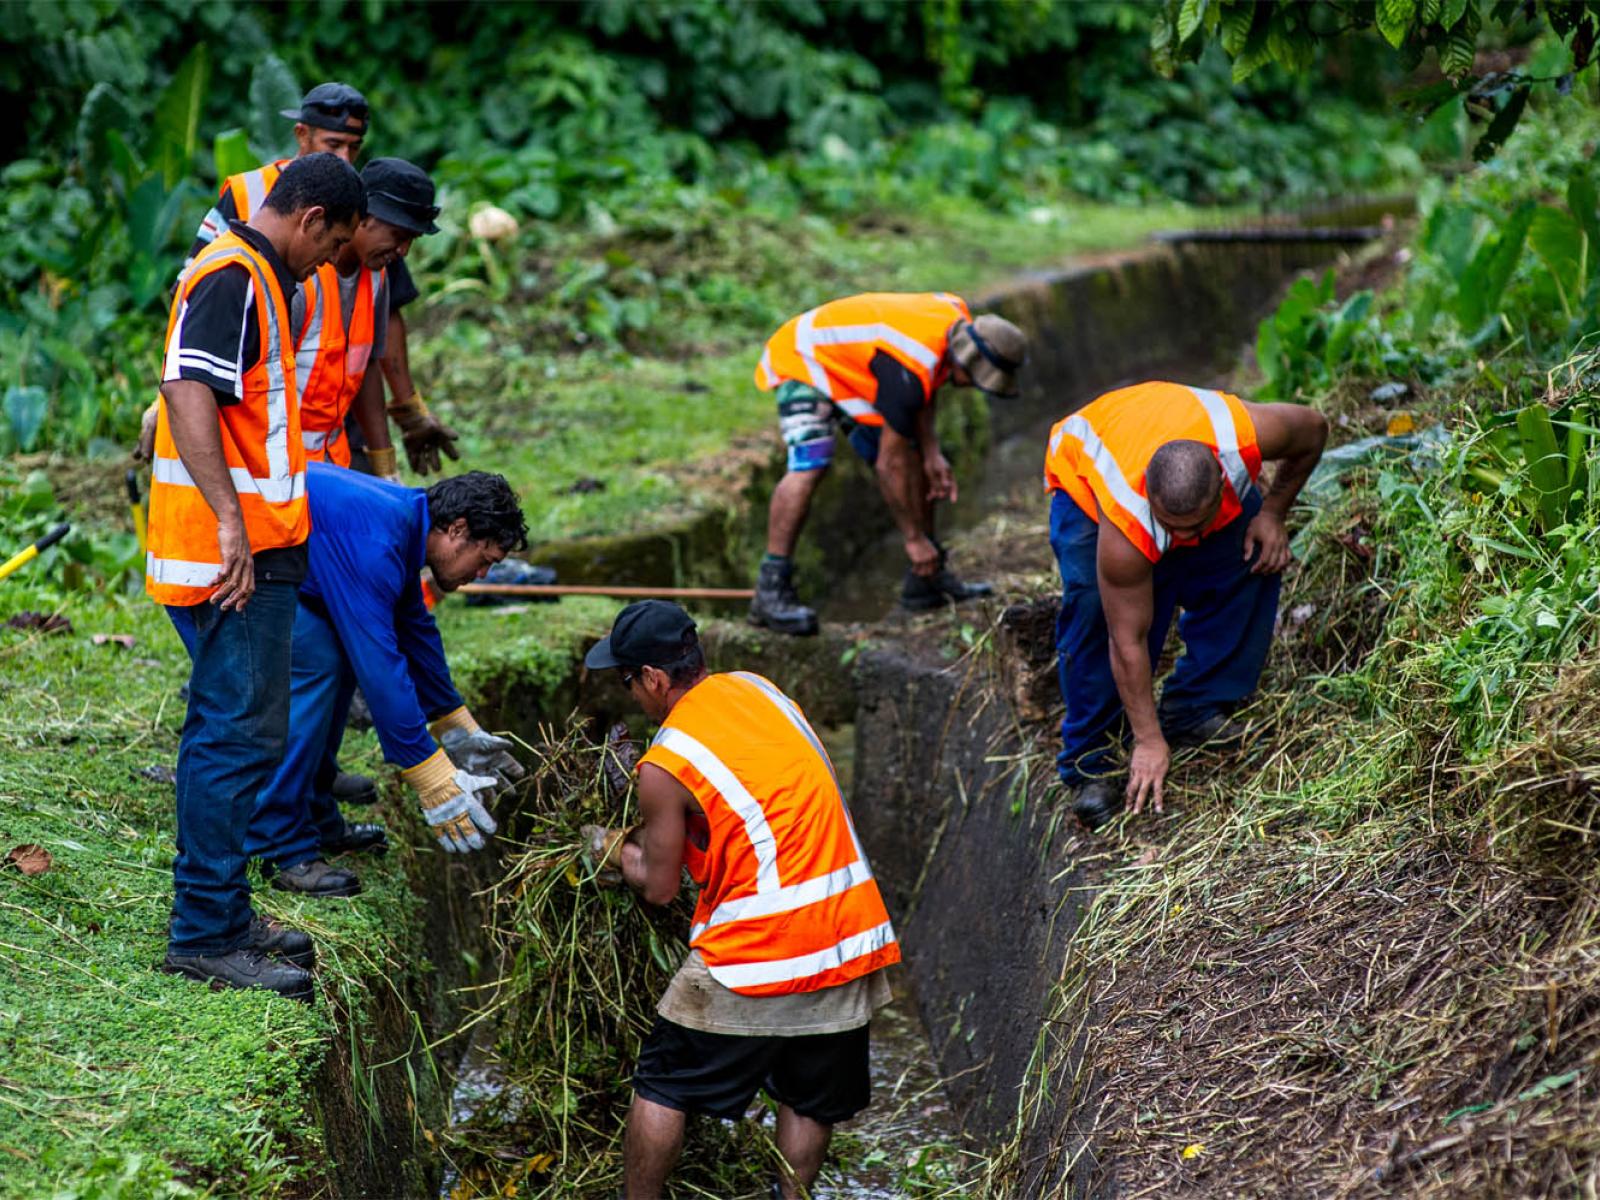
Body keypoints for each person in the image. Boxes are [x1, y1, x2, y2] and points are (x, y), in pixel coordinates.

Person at [583, 601, 901, 1200]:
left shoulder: (666, 760)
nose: (632, 696)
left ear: (653, 677)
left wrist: (608, 849)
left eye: (628, 681)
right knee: (807, 1092)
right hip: (848, 927)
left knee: (663, 1083)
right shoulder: (760, 690)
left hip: (763, 945)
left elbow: (659, 885)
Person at [146, 153, 365, 999]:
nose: (331, 264)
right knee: (230, 739)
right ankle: (202, 933)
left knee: (248, 734)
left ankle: (225, 911)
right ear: (311, 220)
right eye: (335, 245)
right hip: (226, 555)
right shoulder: (234, 276)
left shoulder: (267, 280)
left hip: (259, 548)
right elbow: (185, 389)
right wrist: (234, 521)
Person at [1044, 381, 1328, 829]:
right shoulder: (1126, 518)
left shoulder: (1247, 437)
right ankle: (1091, 760)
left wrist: (1272, 514)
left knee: (1251, 556)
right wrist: (1148, 740)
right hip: (1085, 476)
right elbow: (1127, 642)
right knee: (1095, 613)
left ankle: (1195, 704)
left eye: (1193, 527)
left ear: (1222, 478)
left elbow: (1315, 429)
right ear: (1151, 500)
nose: (1181, 541)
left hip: (1181, 451)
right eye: (1170, 528)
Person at [247, 467, 527, 896]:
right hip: (227, 561)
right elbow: (380, 667)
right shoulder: (377, 544)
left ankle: (316, 816)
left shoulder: (403, 524)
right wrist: (431, 777)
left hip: (279, 564)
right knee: (319, 663)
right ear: (457, 529)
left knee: (331, 659)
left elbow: (413, 625)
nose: (483, 575)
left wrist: (455, 724)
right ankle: (277, 841)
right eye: (484, 560)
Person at [182, 81, 459, 482]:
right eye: (333, 146)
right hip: (264, 433)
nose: (346, 158)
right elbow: (193, 302)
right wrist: (175, 392)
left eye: (354, 148)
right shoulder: (249, 197)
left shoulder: (370, 244)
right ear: (302, 135)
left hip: (325, 436)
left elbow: (372, 345)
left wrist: (402, 420)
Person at [749, 292, 1030, 635]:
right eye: (976, 379)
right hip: (804, 360)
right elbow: (888, 464)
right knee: (811, 463)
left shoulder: (956, 325)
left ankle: (927, 579)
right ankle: (771, 589)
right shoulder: (910, 368)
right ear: (967, 362)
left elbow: (927, 384)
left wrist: (931, 451)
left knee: (917, 460)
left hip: (859, 368)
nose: (971, 387)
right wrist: (912, 538)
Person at [295, 158, 439, 470]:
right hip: (277, 461)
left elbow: (366, 366)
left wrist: (385, 466)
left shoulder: (375, 277)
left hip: (327, 458)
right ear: (362, 217)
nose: (403, 252)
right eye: (398, 235)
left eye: (411, 240)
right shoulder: (305, 277)